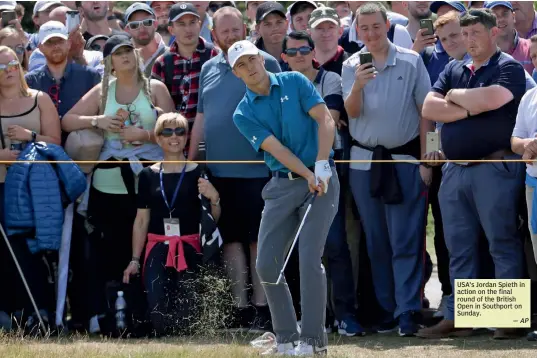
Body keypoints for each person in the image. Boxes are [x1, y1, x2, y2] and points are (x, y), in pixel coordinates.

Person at [417, 8, 526, 340]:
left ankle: (507, 319)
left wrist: (453, 99)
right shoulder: (453, 67)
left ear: (493, 33)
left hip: (494, 168)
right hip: (455, 171)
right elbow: (428, 108)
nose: (467, 40)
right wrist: (469, 105)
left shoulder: (509, 67)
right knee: (459, 246)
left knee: (501, 242)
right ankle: (463, 318)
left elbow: (495, 98)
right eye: (464, 34)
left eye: (474, 33)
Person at [231, 39, 338, 356]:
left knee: (308, 258)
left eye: (252, 59)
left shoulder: (294, 80)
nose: (249, 67)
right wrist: (306, 175)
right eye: (241, 65)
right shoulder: (243, 112)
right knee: (266, 265)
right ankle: (287, 338)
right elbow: (276, 149)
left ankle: (314, 341)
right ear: (236, 73)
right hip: (283, 185)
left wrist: (320, 163)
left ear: (262, 59)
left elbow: (324, 119)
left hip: (323, 178)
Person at [62, 35, 174, 334]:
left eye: (128, 51)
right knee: (107, 253)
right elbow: (67, 121)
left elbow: (177, 130)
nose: (124, 56)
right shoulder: (102, 92)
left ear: (136, 56)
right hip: (107, 184)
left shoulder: (156, 89)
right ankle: (110, 317)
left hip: (148, 181)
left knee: (148, 249)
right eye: (117, 53)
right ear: (109, 61)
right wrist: (98, 120)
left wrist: (146, 136)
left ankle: (146, 316)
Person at [188, 6, 280, 332]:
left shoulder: (267, 64)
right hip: (219, 174)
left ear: (247, 30)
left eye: (235, 29)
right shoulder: (208, 68)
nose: (230, 36)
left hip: (260, 172)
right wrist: (192, 162)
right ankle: (240, 308)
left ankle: (262, 307)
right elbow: (201, 119)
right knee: (230, 242)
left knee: (258, 241)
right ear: (213, 36)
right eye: (223, 31)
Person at [342, 2, 431, 336]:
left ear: (387, 26)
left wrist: (428, 158)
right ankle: (387, 308)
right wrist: (358, 87)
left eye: (375, 27)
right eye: (363, 28)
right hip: (364, 165)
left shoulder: (411, 61)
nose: (370, 34)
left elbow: (427, 113)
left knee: (406, 239)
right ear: (357, 31)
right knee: (376, 241)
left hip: (405, 162)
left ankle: (409, 309)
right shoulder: (352, 65)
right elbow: (352, 113)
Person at [282, 30, 363, 337]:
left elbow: (329, 117)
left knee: (335, 242)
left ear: (312, 51)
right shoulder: (278, 85)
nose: (300, 55)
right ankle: (311, 316)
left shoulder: (329, 79)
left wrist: (298, 121)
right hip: (291, 169)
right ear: (284, 57)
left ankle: (344, 315)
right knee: (300, 246)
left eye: (305, 50)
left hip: (326, 166)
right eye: (294, 51)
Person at [123, 112, 221, 336]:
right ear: (157, 138)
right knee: (159, 317)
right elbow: (141, 221)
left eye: (180, 131)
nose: (174, 137)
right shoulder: (148, 175)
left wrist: (214, 197)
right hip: (157, 246)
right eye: (167, 132)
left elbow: (213, 219)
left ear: (187, 137)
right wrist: (135, 260)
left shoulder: (199, 171)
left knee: (189, 318)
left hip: (191, 246)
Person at [0, 45, 61, 330]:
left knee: (32, 251)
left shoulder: (40, 99)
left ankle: (38, 313)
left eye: (12, 64)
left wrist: (30, 136)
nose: (9, 71)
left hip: (35, 189)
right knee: (5, 253)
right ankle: (9, 314)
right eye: (1, 67)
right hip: (2, 186)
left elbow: (57, 143)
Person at [25, 21, 101, 145]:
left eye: (60, 41)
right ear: (40, 47)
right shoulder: (30, 81)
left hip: (81, 147)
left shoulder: (90, 76)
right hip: (43, 149)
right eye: (49, 42)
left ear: (68, 44)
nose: (55, 46)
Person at [151, 2, 218, 135]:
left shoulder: (214, 56)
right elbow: (153, 107)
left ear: (199, 24)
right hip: (176, 139)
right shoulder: (162, 63)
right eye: (181, 24)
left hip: (211, 136)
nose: (188, 29)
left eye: (192, 22)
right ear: (171, 30)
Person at [28, 7, 104, 76]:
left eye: (69, 23)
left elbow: (100, 86)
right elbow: (45, 84)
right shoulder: (39, 54)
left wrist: (79, 58)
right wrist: (68, 56)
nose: (66, 31)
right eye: (58, 27)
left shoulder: (97, 56)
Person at [485, 1, 534, 74]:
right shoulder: (480, 53)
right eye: (494, 15)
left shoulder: (532, 48)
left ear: (513, 17)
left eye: (505, 13)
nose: (501, 19)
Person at [124, 3, 168, 78]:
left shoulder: (171, 56)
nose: (142, 29)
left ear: (155, 24)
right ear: (127, 30)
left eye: (147, 22)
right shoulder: (122, 59)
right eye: (134, 25)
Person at [253, 2, 289, 70]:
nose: (275, 28)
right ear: (257, 28)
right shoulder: (251, 55)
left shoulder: (299, 51)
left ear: (287, 24)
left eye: (279, 22)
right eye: (268, 24)